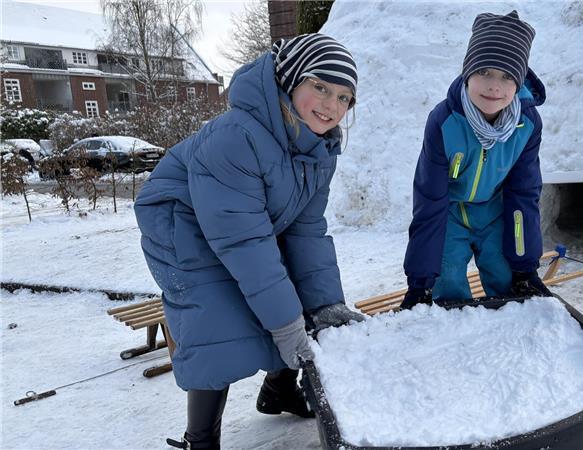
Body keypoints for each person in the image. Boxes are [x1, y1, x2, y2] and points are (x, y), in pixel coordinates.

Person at [133, 33, 365, 449]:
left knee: (294, 299)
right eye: (320, 87)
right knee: (216, 323)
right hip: (181, 224)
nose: (332, 105)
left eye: (344, 97)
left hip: (243, 225)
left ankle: (279, 390)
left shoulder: (319, 151)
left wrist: (325, 306)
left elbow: (307, 232)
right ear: (290, 82)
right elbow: (245, 244)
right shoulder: (236, 137)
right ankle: (200, 440)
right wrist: (287, 326)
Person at [401, 10, 553, 310]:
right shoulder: (444, 121)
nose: (494, 86)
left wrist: (524, 267)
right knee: (447, 281)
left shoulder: (527, 125)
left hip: (496, 211)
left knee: (506, 277)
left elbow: (524, 193)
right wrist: (420, 281)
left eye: (507, 76)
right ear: (467, 72)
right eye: (484, 72)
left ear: (519, 81)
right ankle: (451, 325)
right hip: (450, 213)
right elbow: (430, 198)